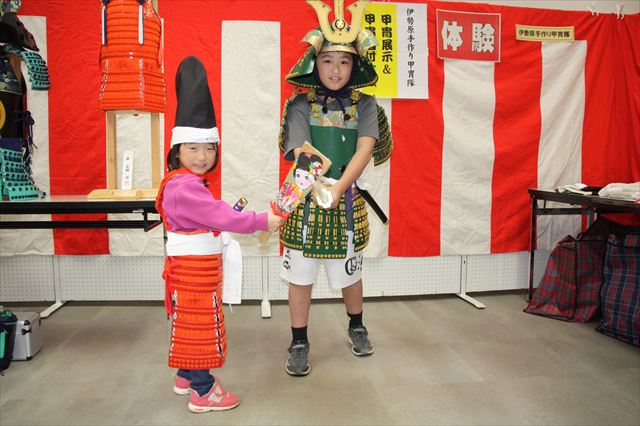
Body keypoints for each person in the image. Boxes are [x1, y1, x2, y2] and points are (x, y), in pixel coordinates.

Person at [155, 56, 283, 412]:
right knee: (201, 328)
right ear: (177, 150)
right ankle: (203, 390)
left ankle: (185, 376)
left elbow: (211, 215)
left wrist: (233, 217)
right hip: (194, 274)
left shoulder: (182, 182)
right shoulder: (185, 187)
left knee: (190, 324)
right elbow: (218, 215)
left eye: (209, 148)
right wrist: (260, 220)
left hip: (190, 271)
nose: (202, 156)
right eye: (193, 148)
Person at [277, 0, 392, 376]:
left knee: (350, 272)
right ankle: (299, 341)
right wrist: (315, 189)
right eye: (327, 60)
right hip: (305, 199)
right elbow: (300, 151)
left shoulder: (366, 105)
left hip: (346, 200)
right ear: (314, 62)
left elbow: (365, 148)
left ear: (355, 65)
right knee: (300, 277)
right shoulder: (299, 104)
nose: (336, 69)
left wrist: (340, 187)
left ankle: (357, 325)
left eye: (344, 61)